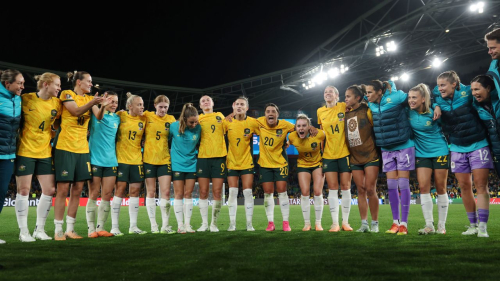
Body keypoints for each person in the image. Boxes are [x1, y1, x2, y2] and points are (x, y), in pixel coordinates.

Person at [433, 71, 492, 237]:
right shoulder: (438, 98)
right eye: (438, 85)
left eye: (443, 85)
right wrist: (435, 105)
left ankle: (482, 227)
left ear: (454, 84)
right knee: (464, 187)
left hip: (478, 144)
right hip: (457, 147)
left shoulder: (468, 93)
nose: (440, 88)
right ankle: (472, 225)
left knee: (481, 186)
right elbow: (430, 98)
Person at [53, 71, 104, 240]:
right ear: (78, 82)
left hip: (82, 150)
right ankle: (58, 229)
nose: (91, 84)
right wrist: (93, 102)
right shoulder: (67, 94)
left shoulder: (90, 100)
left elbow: (99, 116)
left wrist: (102, 104)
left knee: (77, 191)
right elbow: (75, 111)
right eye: (89, 81)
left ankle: (70, 229)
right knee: (62, 190)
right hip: (65, 147)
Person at [365, 80, 419, 235]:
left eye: (369, 92)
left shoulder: (397, 97)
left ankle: (404, 224)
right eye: (366, 92)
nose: (367, 95)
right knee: (391, 186)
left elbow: (415, 99)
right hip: (386, 148)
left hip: (404, 144)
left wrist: (434, 106)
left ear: (379, 92)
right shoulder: (371, 104)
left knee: (403, 184)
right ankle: (395, 223)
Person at [15, 73, 61, 242]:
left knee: (49, 190)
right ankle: (23, 232)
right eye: (57, 84)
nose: (59, 88)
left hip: (45, 152)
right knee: (24, 190)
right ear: (46, 84)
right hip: (25, 150)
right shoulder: (26, 99)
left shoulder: (57, 103)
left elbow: (61, 120)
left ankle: (39, 230)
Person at [408, 84, 449, 235]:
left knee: (440, 188)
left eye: (414, 97)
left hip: (439, 151)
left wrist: (437, 105)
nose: (411, 101)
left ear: (423, 99)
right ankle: (429, 225)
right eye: (409, 97)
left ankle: (441, 226)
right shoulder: (408, 112)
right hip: (421, 153)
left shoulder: (433, 112)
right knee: (424, 187)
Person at [343, 85, 380, 233]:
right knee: (361, 190)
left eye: (348, 96)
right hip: (355, 158)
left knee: (371, 189)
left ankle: (375, 223)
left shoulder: (367, 111)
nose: (345, 99)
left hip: (370, 155)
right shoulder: (344, 114)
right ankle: (364, 223)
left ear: (358, 98)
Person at [317, 85, 353, 232]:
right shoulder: (320, 111)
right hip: (328, 155)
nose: (327, 94)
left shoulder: (343, 106)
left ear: (337, 96)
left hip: (345, 153)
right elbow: (321, 135)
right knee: (332, 188)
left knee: (345, 187)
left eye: (330, 92)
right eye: (325, 92)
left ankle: (346, 222)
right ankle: (334, 223)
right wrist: (320, 153)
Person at [111, 92, 147, 236]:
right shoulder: (121, 116)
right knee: (119, 191)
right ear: (130, 106)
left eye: (142, 105)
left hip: (137, 160)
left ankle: (133, 226)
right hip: (121, 160)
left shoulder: (144, 119)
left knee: (135, 192)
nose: (142, 107)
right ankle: (114, 226)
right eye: (139, 104)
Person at [86, 91, 120, 238]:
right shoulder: (95, 113)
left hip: (111, 160)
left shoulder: (118, 118)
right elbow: (98, 114)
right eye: (111, 101)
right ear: (104, 101)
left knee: (107, 195)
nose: (114, 104)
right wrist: (101, 106)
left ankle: (101, 228)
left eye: (116, 102)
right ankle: (91, 229)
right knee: (93, 194)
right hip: (94, 159)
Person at [258, 103, 296, 231]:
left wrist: (290, 141)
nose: (270, 113)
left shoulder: (285, 124)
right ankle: (271, 223)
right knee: (268, 193)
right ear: (265, 114)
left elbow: (300, 129)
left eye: (273, 111)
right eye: (268, 111)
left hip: (280, 163)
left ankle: (286, 222)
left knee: (282, 191)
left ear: (277, 114)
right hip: (264, 163)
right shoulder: (259, 123)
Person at [223, 97, 259, 231]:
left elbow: (267, 132)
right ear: (233, 106)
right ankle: (232, 224)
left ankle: (249, 224)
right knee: (232, 193)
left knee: (248, 193)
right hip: (231, 162)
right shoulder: (227, 122)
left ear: (247, 108)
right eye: (237, 104)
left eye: (242, 104)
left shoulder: (253, 123)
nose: (239, 106)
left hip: (247, 162)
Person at [143, 95, 176, 234]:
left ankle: (165, 226)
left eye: (165, 107)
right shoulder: (147, 116)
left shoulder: (171, 119)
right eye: (161, 107)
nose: (163, 109)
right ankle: (153, 225)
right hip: (149, 159)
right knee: (151, 192)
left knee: (166, 193)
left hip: (164, 159)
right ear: (155, 105)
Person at [288, 114, 326, 231]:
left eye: (304, 125)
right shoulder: (292, 136)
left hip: (317, 164)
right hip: (303, 165)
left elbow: (328, 139)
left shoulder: (318, 134)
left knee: (317, 191)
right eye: (298, 126)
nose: (301, 128)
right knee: (304, 192)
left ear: (309, 127)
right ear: (295, 127)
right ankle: (307, 223)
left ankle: (318, 223)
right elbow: (286, 144)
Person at [196, 95, 227, 232]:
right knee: (203, 192)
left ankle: (213, 223)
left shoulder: (220, 116)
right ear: (200, 106)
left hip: (219, 157)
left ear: (213, 103)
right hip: (203, 157)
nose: (206, 102)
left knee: (217, 192)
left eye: (208, 100)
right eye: (203, 101)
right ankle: (204, 223)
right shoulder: (197, 119)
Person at [169, 103, 201, 233]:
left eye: (196, 122)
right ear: (184, 119)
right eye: (191, 122)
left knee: (188, 194)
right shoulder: (173, 126)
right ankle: (180, 225)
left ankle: (188, 224)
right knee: (179, 194)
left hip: (192, 164)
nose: (194, 125)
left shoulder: (199, 128)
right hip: (177, 164)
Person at [0, 69, 24, 244]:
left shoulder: (19, 99)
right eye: (19, 83)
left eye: (23, 83)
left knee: (1, 193)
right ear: (8, 84)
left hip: (8, 154)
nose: (22, 86)